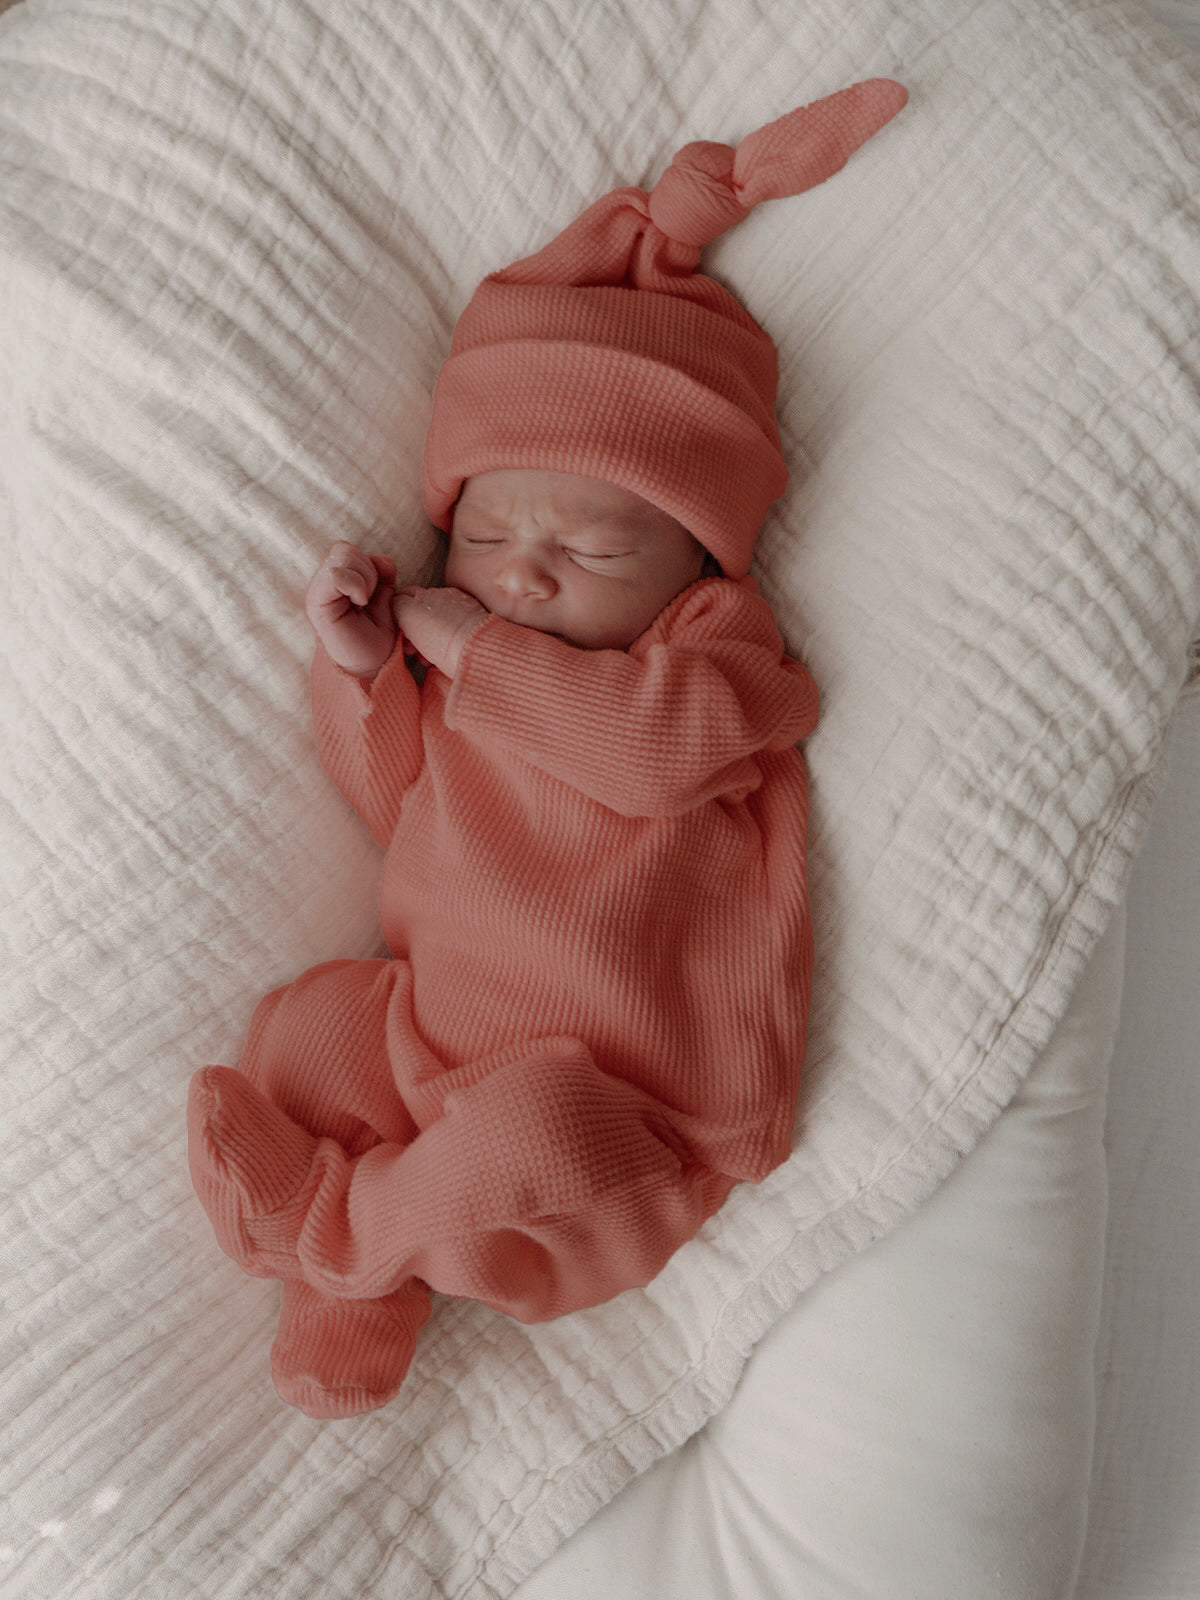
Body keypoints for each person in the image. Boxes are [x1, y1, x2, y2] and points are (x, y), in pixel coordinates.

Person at [187, 78, 907, 1418]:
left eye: (587, 548)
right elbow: (401, 803)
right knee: (311, 1033)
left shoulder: (715, 661)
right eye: (484, 537)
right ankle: (356, 1295)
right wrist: (365, 670)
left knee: (525, 1137)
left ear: (696, 561)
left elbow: (646, 757)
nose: (520, 577)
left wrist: (474, 651)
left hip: (626, 1126)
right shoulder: (467, 677)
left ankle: (336, 1243)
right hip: (427, 1039)